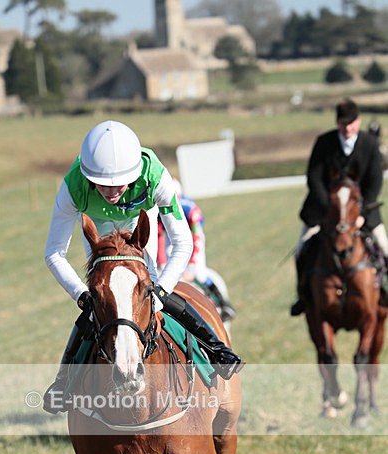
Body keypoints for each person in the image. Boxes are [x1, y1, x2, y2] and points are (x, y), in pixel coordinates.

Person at [43, 120, 244, 413]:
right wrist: (81, 294)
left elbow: (182, 242)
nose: (111, 192)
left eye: (118, 184)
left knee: (147, 292)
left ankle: (216, 349)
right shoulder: (73, 186)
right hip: (98, 231)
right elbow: (54, 252)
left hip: (140, 221)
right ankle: (63, 381)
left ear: (134, 175)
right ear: (89, 177)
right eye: (102, 185)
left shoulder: (154, 176)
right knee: (99, 307)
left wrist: (161, 287)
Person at [291, 98, 388, 316]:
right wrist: (330, 211)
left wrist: (362, 213)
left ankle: (385, 291)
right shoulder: (324, 143)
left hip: (363, 212)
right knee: (301, 249)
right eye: (344, 124)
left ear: (359, 121)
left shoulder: (370, 144)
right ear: (337, 123)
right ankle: (303, 295)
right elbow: (314, 178)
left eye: (352, 123)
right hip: (322, 213)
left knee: (384, 246)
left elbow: (375, 182)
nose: (348, 128)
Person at [157, 178, 237, 322]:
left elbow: (196, 235)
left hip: (192, 238)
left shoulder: (187, 206)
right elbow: (159, 236)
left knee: (198, 273)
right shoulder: (158, 208)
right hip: (172, 237)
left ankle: (224, 305)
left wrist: (193, 263)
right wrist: (162, 262)